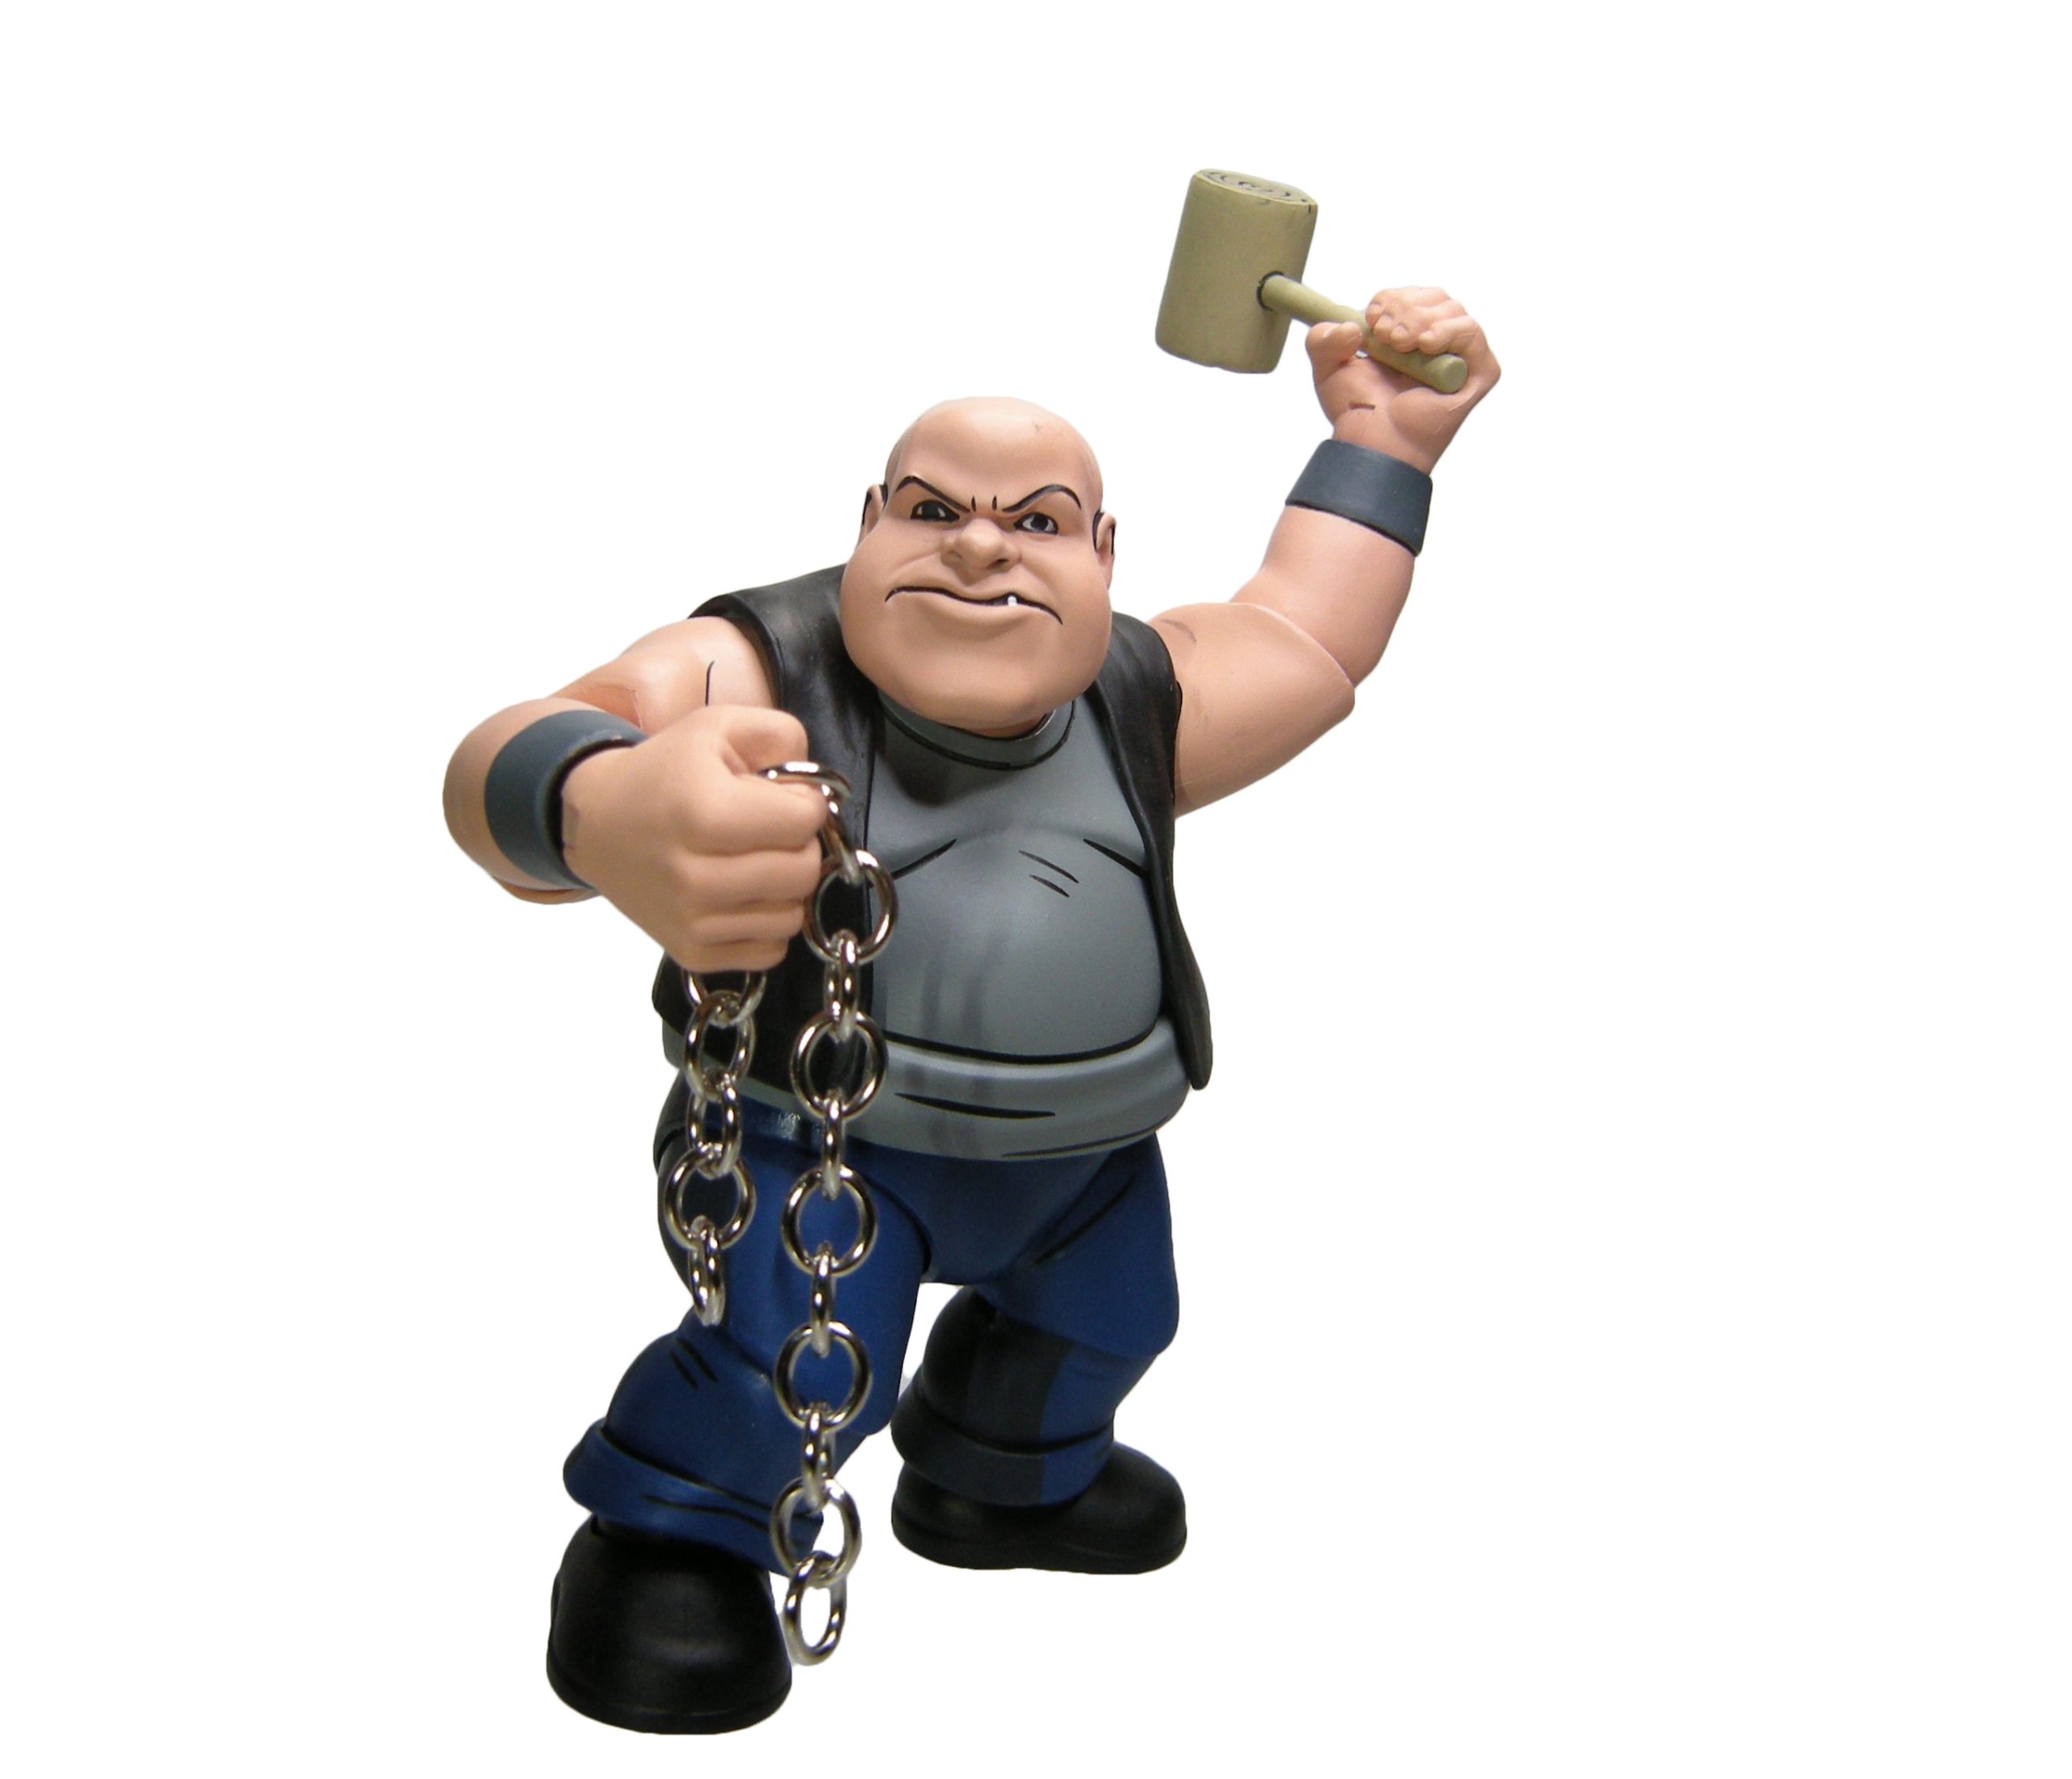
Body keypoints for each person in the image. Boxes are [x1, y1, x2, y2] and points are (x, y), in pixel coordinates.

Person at [444, 289, 1498, 1732]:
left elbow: (1307, 631)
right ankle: (672, 1539)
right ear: (866, 523)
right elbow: (525, 741)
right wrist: (598, 800)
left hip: (1086, 1160)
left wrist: (1383, 444)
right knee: (796, 1374)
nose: (982, 546)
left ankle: (1006, 1470)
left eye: (1037, 520)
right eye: (934, 508)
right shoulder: (764, 668)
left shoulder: (1137, 693)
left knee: (1113, 1318)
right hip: (828, 1153)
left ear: (1106, 557)